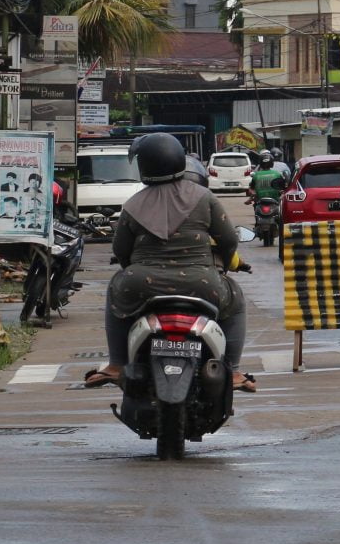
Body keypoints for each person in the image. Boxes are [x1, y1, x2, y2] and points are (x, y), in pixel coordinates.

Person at [84, 132, 254, 394]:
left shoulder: (132, 204)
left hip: (139, 284)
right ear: (178, 160)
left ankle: (117, 364)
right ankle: (232, 370)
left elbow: (121, 251)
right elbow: (229, 240)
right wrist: (222, 264)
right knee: (236, 300)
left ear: (144, 166)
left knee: (115, 290)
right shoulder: (204, 197)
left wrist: (134, 269)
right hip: (203, 283)